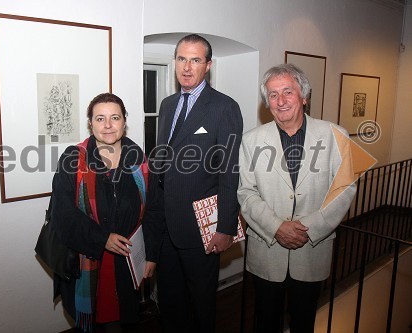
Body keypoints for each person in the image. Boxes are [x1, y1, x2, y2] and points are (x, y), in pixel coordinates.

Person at [237, 64, 357, 333]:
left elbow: (344, 188)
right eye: (273, 95)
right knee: (266, 322)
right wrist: (277, 227)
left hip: (312, 250)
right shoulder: (251, 140)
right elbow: (246, 191)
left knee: (304, 323)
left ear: (304, 96)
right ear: (267, 102)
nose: (280, 101)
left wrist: (308, 228)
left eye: (287, 92)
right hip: (267, 252)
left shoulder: (336, 135)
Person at [50, 93, 164, 333]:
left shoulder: (140, 160)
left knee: (121, 321)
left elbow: (154, 209)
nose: (108, 125)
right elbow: (63, 215)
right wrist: (103, 238)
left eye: (115, 117)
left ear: (124, 122)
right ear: (90, 123)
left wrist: (152, 255)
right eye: (100, 118)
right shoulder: (73, 158)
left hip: (128, 260)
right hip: (88, 260)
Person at [153, 34, 243, 333]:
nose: (187, 67)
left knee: (201, 304)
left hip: (201, 229)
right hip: (166, 227)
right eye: (181, 59)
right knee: (170, 302)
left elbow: (229, 172)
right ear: (175, 62)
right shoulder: (167, 105)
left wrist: (226, 227)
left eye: (195, 60)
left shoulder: (224, 107)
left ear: (208, 65)